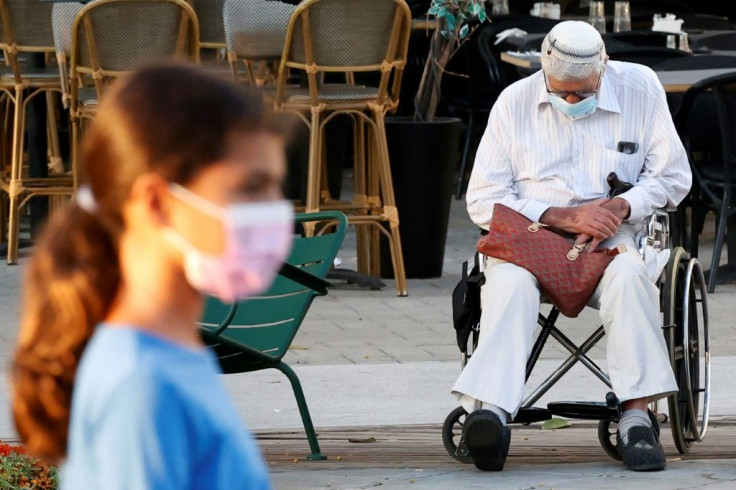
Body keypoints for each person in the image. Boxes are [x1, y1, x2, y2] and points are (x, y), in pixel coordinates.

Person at [11, 64, 295, 489]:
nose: (275, 209)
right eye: (251, 187)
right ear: (158, 203)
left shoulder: (167, 355)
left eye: (277, 187)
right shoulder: (142, 385)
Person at [452, 21, 691, 472]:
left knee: (629, 277)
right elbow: (482, 199)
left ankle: (637, 417)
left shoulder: (639, 86)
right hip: (531, 238)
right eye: (561, 92)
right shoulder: (514, 102)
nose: (571, 102)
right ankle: (491, 414)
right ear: (544, 72)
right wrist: (559, 215)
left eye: (583, 93)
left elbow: (674, 178)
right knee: (509, 286)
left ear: (603, 68)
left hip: (614, 236)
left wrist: (622, 205)